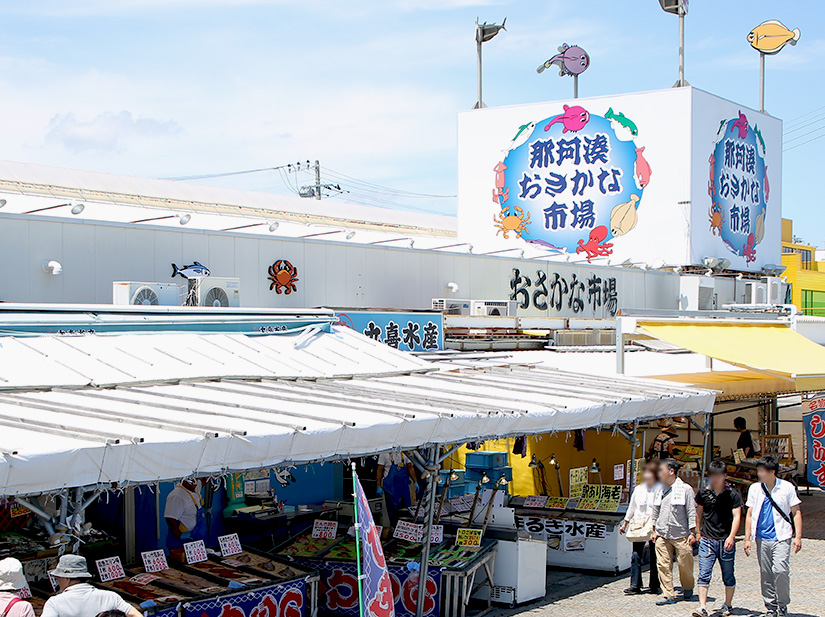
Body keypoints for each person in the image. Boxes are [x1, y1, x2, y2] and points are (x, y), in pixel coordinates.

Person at [744, 455, 803, 617]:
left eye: (762, 471)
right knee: (766, 572)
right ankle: (771, 606)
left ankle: (782, 604)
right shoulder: (755, 488)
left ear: (772, 472)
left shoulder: (787, 487)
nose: (759, 474)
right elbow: (749, 514)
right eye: (759, 470)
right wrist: (747, 538)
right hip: (761, 537)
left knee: (780, 570)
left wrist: (798, 537)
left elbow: (796, 512)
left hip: (782, 536)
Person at [693, 460, 743, 617]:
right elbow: (699, 513)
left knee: (728, 574)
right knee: (704, 573)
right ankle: (702, 607)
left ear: (725, 476)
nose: (714, 479)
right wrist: (698, 533)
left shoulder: (732, 494)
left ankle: (727, 604)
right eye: (712, 476)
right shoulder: (703, 493)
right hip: (707, 539)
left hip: (725, 540)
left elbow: (737, 517)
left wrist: (732, 536)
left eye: (718, 476)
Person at [650, 458, 696, 606]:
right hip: (662, 532)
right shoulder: (659, 488)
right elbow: (655, 509)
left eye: (661, 470)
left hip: (681, 534)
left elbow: (691, 511)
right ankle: (668, 594)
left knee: (685, 564)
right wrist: (654, 529)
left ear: (671, 471)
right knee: (663, 565)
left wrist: (692, 532)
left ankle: (688, 586)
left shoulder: (686, 489)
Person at [41, 555, 141, 617]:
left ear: (67, 579)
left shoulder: (55, 602)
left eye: (58, 578)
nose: (58, 581)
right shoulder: (110, 596)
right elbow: (135, 615)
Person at [619, 462, 661, 595]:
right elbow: (632, 507)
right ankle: (635, 585)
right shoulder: (638, 489)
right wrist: (625, 523)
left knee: (655, 556)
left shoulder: (660, 489)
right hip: (638, 525)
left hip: (654, 526)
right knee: (636, 555)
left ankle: (654, 585)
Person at [164, 478, 206, 556]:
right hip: (182, 543)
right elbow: (170, 519)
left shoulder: (194, 488)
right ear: (183, 479)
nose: (195, 482)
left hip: (195, 541)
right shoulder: (177, 496)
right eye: (192, 480)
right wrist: (179, 535)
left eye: (196, 478)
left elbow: (203, 481)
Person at [376, 451, 419, 525]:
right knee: (393, 510)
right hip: (390, 487)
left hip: (404, 486)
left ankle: (406, 526)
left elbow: (410, 467)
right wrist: (378, 486)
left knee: (407, 509)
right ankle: (394, 526)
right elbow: (379, 470)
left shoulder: (405, 452)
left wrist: (415, 482)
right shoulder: (384, 453)